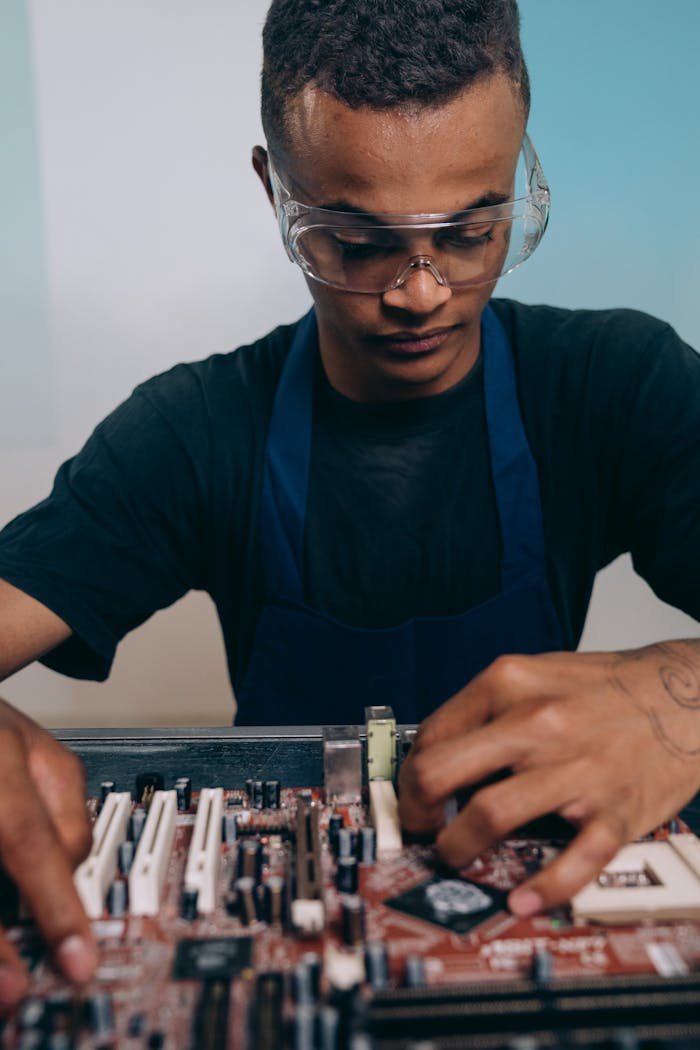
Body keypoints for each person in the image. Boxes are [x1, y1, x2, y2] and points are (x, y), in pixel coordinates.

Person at [0, 0, 699, 1011]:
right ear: (272, 190)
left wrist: (682, 699)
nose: (421, 293)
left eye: (469, 232)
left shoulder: (615, 383)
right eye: (358, 244)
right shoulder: (196, 429)